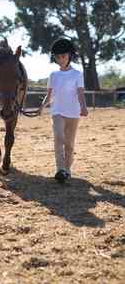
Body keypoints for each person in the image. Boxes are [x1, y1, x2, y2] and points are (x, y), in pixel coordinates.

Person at [42, 38, 88, 183]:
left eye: (63, 56)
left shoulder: (77, 74)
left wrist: (84, 107)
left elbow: (80, 92)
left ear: (69, 56)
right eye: (57, 57)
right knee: (58, 138)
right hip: (57, 112)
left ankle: (67, 170)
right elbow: (49, 96)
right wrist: (41, 107)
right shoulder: (53, 75)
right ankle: (60, 169)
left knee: (69, 143)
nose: (61, 59)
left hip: (73, 112)